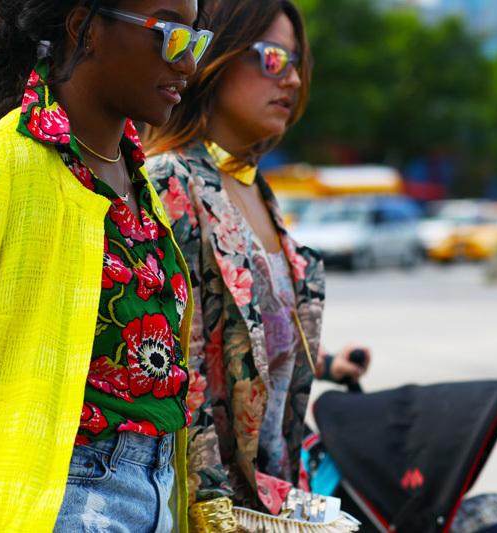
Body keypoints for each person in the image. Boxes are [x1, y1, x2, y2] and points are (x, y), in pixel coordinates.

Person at [0, 1, 212, 531]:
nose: (187, 62)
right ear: (84, 28)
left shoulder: (140, 185)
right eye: (169, 33)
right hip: (55, 501)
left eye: (195, 40)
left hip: (157, 492)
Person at [145, 1, 361, 529]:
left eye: (296, 64)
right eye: (271, 58)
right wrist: (211, 511)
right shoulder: (171, 182)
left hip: (278, 493)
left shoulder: (258, 190)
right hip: (219, 508)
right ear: (216, 55)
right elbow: (181, 365)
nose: (290, 79)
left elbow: (250, 332)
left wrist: (327, 364)